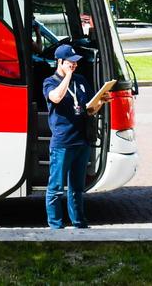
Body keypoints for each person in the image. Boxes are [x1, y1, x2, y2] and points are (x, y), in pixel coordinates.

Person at [42, 43, 106, 229]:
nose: (74, 65)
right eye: (70, 63)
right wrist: (67, 76)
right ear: (60, 62)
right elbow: (55, 98)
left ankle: (79, 222)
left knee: (77, 188)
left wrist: (100, 101)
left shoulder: (81, 81)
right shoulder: (50, 82)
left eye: (75, 63)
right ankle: (55, 225)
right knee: (55, 188)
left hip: (82, 140)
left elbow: (88, 109)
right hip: (63, 142)